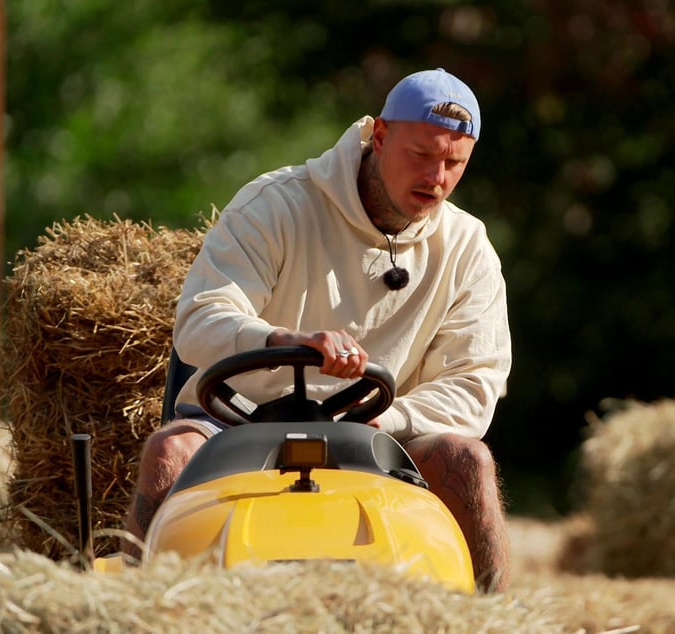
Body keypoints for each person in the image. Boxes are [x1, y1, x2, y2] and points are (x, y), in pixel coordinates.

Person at [123, 68, 513, 591]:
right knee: (170, 452)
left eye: (454, 162)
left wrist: (392, 418)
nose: (437, 177)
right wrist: (280, 342)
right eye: (421, 155)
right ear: (379, 136)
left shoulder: (468, 248)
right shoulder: (277, 205)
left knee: (469, 460)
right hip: (236, 426)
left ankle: (489, 618)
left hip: (380, 436)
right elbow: (200, 320)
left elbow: (475, 380)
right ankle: (131, 610)